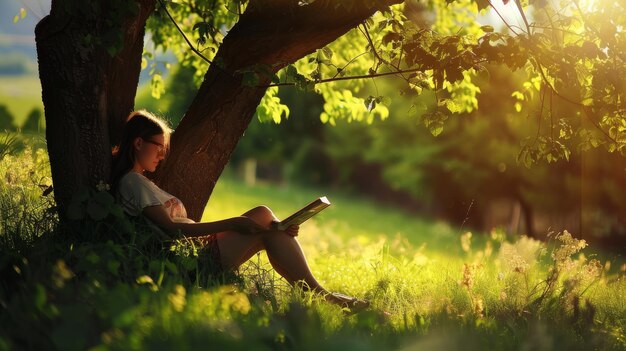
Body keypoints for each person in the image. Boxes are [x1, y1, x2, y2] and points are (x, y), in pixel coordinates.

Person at [110, 110, 369, 312]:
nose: (162, 155)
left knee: (270, 224)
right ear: (138, 143)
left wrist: (267, 228)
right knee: (263, 214)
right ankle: (327, 297)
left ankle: (323, 296)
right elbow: (172, 228)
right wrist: (231, 223)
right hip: (191, 263)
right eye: (159, 147)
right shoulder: (132, 182)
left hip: (199, 251)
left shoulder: (142, 183)